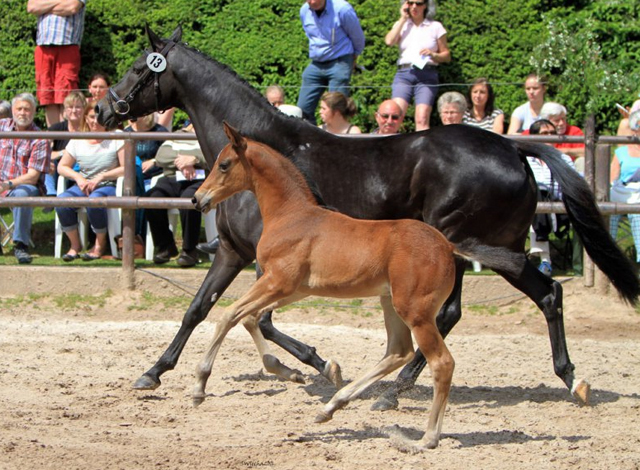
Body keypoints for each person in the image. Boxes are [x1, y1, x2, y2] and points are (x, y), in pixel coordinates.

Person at [55, 100, 129, 261]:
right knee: (61, 202)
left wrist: (102, 176)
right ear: (86, 119)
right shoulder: (78, 140)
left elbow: (126, 167)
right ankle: (75, 245)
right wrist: (78, 177)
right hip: (84, 184)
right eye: (91, 117)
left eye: (98, 117)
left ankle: (99, 244)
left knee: (94, 201)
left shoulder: (116, 137)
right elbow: (62, 167)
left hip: (108, 185)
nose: (95, 121)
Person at [145, 122, 208, 267]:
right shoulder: (176, 135)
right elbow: (161, 157)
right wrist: (184, 162)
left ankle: (189, 250)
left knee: (189, 201)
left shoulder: (207, 134)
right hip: (172, 178)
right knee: (151, 198)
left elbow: (213, 155)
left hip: (197, 179)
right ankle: (165, 246)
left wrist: (195, 160)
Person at [0, 93, 51, 264]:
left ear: (34, 112)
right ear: (12, 111)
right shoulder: (2, 127)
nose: (22, 113)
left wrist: (6, 185)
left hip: (24, 185)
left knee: (22, 194)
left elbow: (33, 176)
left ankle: (20, 245)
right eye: (19, 108)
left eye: (27, 109)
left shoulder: (40, 137)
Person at [385, 0, 450, 131]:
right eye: (411, 3)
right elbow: (389, 41)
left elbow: (447, 56)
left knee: (422, 118)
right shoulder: (402, 24)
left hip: (427, 73)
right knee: (395, 115)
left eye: (419, 3)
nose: (414, 6)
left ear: (425, 6)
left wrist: (433, 55)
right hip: (404, 73)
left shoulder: (435, 26)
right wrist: (403, 18)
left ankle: (421, 151)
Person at [297, 0, 365, 124]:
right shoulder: (304, 11)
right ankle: (311, 138)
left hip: (339, 61)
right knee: (302, 110)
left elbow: (358, 37)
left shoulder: (342, 9)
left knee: (336, 110)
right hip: (317, 63)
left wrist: (353, 58)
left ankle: (337, 139)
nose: (311, 2)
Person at [527, 119, 577, 276]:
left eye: (552, 133)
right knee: (537, 194)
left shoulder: (564, 159)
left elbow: (572, 185)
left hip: (559, 203)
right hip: (533, 205)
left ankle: (543, 258)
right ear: (534, 137)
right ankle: (545, 261)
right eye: (544, 133)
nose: (549, 136)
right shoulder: (526, 160)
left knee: (537, 199)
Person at [27, 0, 86, 127]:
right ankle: (53, 139)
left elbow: (72, 7)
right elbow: (32, 7)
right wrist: (59, 3)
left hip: (67, 46)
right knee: (47, 98)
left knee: (67, 98)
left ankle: (67, 139)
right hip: (43, 48)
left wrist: (45, 7)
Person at [610, 110, 640, 266]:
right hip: (623, 192)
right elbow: (612, 178)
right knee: (610, 214)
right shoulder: (621, 152)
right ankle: (610, 258)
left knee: (637, 214)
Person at [45, 90, 87, 197]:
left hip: (82, 167)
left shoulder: (89, 129)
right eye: (70, 107)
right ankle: (51, 194)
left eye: (78, 107)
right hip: (59, 169)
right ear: (65, 110)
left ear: (84, 109)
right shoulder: (56, 129)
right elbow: (43, 153)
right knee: (48, 163)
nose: (73, 110)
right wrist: (61, 153)